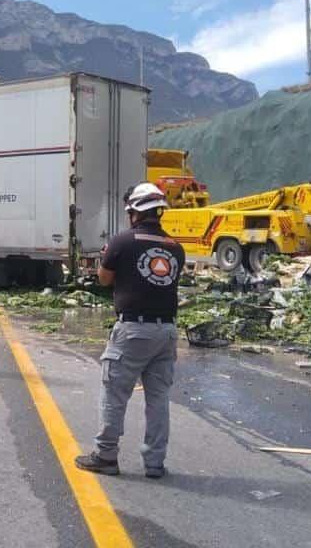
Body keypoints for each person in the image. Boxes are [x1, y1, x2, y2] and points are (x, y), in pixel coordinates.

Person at [75, 183, 184, 479]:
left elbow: (104, 280)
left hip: (134, 330)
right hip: (167, 333)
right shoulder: (176, 248)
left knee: (115, 392)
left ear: (134, 212)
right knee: (158, 400)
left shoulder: (122, 242)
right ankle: (155, 463)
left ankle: (106, 455)